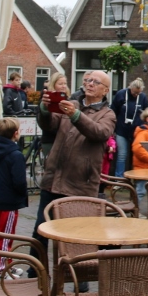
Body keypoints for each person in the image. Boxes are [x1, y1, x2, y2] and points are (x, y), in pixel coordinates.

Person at [31, 70, 116, 263]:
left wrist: (75, 115)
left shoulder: (108, 114)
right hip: (53, 180)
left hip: (79, 185)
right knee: (40, 231)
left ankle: (78, 274)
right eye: (88, 80)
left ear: (105, 90)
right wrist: (45, 109)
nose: (90, 83)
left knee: (77, 237)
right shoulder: (72, 104)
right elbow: (50, 125)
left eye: (96, 82)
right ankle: (36, 272)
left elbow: (99, 132)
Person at [0, 117, 28, 280]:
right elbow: (19, 181)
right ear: (15, 133)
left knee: (0, 234)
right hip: (9, 201)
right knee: (6, 236)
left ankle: (6, 263)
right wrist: (21, 194)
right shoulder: (15, 155)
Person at [110, 77, 148, 178]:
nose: (136, 95)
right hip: (122, 130)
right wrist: (113, 126)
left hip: (136, 132)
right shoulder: (121, 94)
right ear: (130, 88)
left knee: (136, 155)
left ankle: (134, 178)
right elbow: (113, 111)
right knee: (122, 155)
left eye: (138, 93)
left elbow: (146, 113)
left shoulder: (143, 97)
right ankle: (119, 179)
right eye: (134, 92)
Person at [40, 72, 70, 160]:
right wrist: (45, 107)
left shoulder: (70, 100)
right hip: (50, 140)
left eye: (65, 83)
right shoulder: (45, 101)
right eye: (60, 84)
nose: (63, 86)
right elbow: (44, 121)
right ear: (53, 85)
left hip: (66, 142)